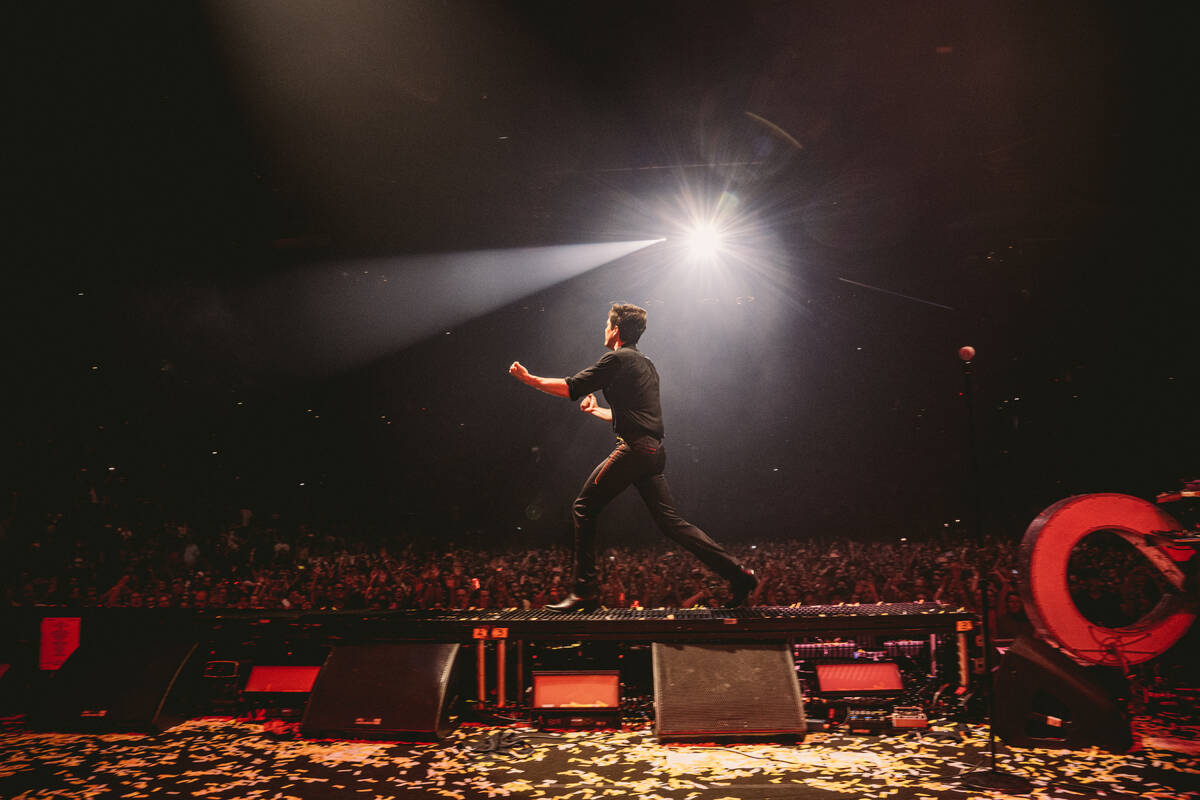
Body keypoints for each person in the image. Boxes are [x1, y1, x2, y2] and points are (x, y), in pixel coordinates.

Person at [508, 302, 758, 612]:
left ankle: (585, 590)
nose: (604, 329)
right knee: (672, 523)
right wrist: (597, 410)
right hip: (652, 452)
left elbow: (571, 387)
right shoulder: (646, 364)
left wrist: (530, 379)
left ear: (615, 330)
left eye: (606, 325)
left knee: (583, 508)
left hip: (635, 450)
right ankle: (739, 574)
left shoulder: (615, 358)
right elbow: (636, 415)